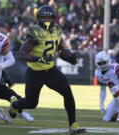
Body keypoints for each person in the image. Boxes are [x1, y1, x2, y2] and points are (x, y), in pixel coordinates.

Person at [9, 5, 86, 135]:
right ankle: (15, 105)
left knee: (68, 93)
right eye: (44, 17)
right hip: (35, 73)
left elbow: (61, 49)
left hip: (50, 71)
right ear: (38, 18)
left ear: (54, 18)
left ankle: (73, 124)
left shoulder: (56, 30)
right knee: (31, 103)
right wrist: (38, 59)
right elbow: (22, 53)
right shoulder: (35, 32)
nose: (47, 20)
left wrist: (69, 57)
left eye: (49, 17)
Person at [95, 51, 119, 122]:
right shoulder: (98, 73)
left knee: (115, 90)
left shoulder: (115, 68)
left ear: (108, 61)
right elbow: (103, 90)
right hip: (116, 96)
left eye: (104, 62)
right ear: (97, 64)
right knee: (106, 119)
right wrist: (101, 104)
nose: (103, 65)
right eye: (100, 63)